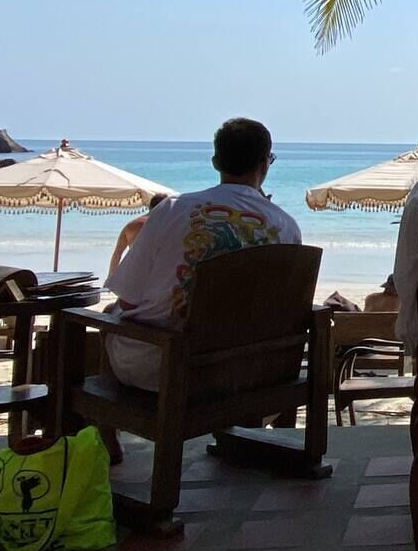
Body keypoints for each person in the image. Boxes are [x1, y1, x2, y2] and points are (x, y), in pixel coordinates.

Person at [102, 119, 300, 390]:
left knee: (108, 315)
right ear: (265, 164)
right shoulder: (287, 227)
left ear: (216, 161)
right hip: (247, 369)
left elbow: (127, 301)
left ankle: (106, 428)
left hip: (162, 367)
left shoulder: (172, 210)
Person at [106, 193, 169, 277]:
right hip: (154, 274)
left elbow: (117, 254)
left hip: (132, 272)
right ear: (165, 207)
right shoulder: (164, 225)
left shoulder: (131, 225)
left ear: (150, 206)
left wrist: (110, 277)